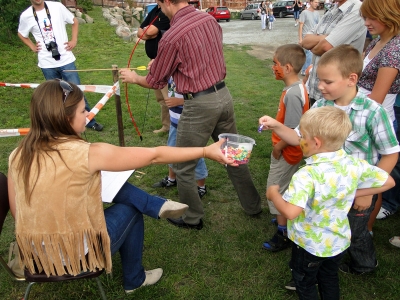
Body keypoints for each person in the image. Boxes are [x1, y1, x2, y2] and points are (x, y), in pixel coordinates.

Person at [7, 80, 234, 293]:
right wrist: (205, 151)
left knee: (109, 190)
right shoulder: (87, 153)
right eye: (82, 110)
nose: (87, 113)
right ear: (65, 119)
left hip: (34, 255)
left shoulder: (16, 155)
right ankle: (135, 279)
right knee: (131, 208)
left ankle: (154, 205)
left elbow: (19, 214)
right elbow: (154, 156)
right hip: (74, 258)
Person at [259, 44, 399, 280]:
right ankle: (322, 261)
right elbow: (299, 137)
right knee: (326, 225)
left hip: (357, 187)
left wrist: (365, 192)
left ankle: (364, 264)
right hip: (323, 187)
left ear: (351, 78)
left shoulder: (373, 112)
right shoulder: (322, 106)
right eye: (318, 80)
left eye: (327, 81)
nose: (320, 86)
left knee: (356, 229)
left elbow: (390, 153)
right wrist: (277, 126)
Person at [119, 0, 262, 230]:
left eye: (159, 4)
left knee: (183, 165)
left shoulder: (172, 36)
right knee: (233, 155)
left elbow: (156, 80)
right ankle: (253, 206)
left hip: (199, 104)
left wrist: (134, 77)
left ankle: (192, 217)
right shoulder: (209, 20)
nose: (159, 9)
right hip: (223, 95)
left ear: (167, 2)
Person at [265, 106, 395, 299]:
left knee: (305, 281)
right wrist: (354, 192)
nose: (299, 141)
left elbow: (291, 212)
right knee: (329, 278)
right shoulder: (354, 164)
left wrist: (274, 194)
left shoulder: (306, 175)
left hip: (308, 244)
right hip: (338, 242)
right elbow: (388, 181)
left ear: (315, 142)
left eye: (302, 137)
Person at [18, 0, 103, 131]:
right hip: (46, 63)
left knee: (76, 91)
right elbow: (21, 34)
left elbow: (74, 21)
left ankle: (89, 121)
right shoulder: (26, 15)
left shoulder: (57, 7)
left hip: (66, 59)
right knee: (56, 96)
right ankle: (62, 124)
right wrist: (32, 47)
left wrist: (74, 40)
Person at [262, 44, 309, 252]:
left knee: (275, 189)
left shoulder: (292, 94)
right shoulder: (297, 87)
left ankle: (283, 232)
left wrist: (278, 147)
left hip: (287, 152)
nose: (273, 67)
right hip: (292, 152)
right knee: (285, 185)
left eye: (275, 64)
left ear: (288, 68)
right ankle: (284, 218)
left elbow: (292, 130)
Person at [357, 0, 400, 224]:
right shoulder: (378, 41)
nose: (366, 23)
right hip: (361, 115)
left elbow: (377, 98)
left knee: (373, 178)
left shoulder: (395, 48)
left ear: (388, 14)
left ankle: (367, 230)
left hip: (375, 121)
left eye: (372, 17)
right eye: (365, 17)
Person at [301, 0, 366, 106]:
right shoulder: (333, 9)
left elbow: (326, 47)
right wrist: (325, 38)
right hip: (316, 91)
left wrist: (319, 41)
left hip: (337, 98)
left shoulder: (357, 10)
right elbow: (305, 41)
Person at [152, 77, 208, 199]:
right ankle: (172, 179)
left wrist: (179, 102)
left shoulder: (192, 75)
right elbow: (158, 81)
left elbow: (202, 98)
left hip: (190, 124)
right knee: (171, 151)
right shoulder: (170, 73)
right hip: (174, 122)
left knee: (195, 155)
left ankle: (201, 187)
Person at [138, 3, 171, 133]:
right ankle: (166, 126)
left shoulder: (166, 12)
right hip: (153, 63)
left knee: (169, 96)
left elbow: (149, 32)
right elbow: (140, 32)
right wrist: (147, 32)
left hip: (163, 62)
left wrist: (148, 32)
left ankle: (175, 125)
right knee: (160, 97)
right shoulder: (155, 11)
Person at [298, 0, 320, 76]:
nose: (317, 4)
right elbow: (300, 26)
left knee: (312, 54)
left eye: (318, 2)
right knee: (309, 53)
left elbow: (318, 26)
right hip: (306, 36)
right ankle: (305, 70)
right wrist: (300, 39)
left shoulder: (317, 13)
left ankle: (307, 69)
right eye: (315, 2)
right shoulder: (304, 13)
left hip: (314, 37)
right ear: (310, 2)